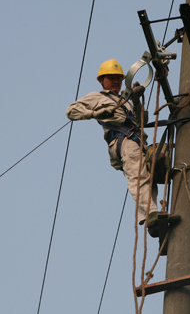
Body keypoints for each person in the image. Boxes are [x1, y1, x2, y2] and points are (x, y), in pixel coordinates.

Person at [66, 59, 160, 237]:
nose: (116, 81)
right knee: (138, 175)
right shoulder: (98, 97)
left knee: (150, 177)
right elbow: (71, 111)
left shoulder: (126, 100)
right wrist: (94, 113)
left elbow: (141, 122)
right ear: (101, 80)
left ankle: (152, 220)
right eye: (111, 78)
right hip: (123, 140)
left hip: (138, 141)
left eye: (118, 78)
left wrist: (137, 100)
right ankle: (151, 213)